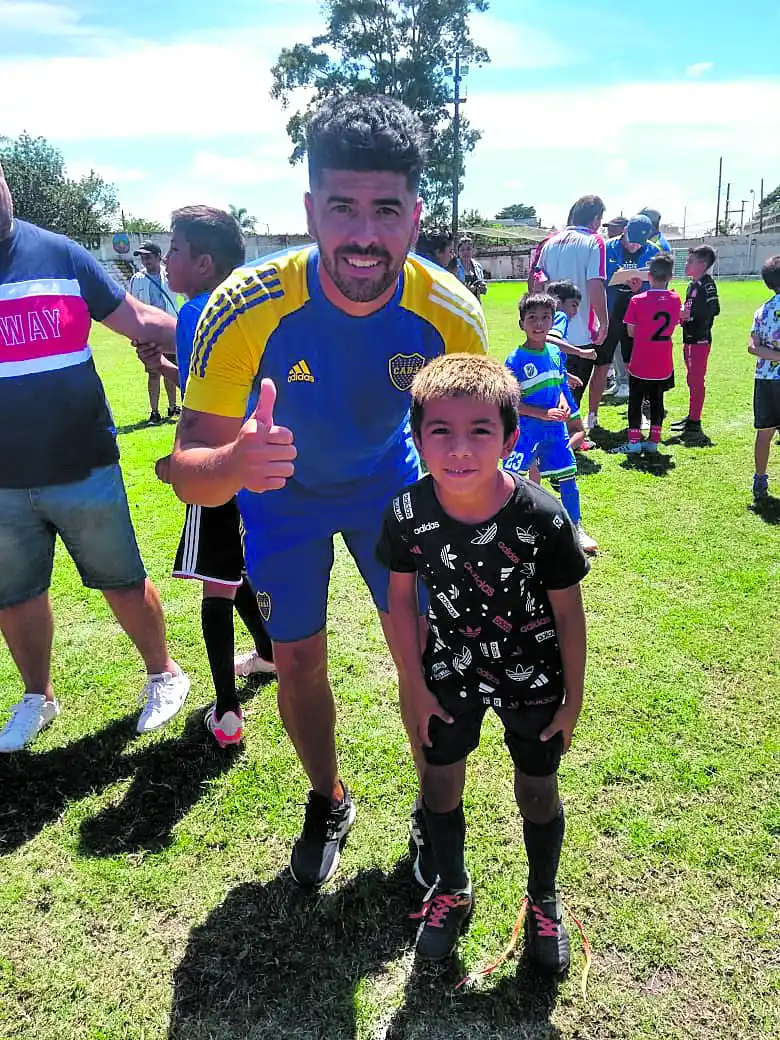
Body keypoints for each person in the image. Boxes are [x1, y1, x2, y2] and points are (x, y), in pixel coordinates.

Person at [168, 94, 488, 889]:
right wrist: (236, 462)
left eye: (386, 209)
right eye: (343, 207)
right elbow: (185, 466)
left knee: (420, 656)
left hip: (389, 488)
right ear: (311, 209)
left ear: (415, 215)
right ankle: (328, 798)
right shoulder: (244, 306)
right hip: (280, 500)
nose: (364, 235)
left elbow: (476, 449)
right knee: (299, 660)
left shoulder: (451, 316)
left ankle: (433, 814)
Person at [376, 353, 588, 966]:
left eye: (480, 431)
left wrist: (572, 700)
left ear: (510, 437)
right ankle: (454, 887)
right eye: (440, 431)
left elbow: (569, 615)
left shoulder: (543, 517)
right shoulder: (408, 514)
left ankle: (543, 899)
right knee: (440, 781)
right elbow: (399, 604)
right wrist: (412, 686)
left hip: (533, 671)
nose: (460, 449)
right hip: (449, 667)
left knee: (538, 786)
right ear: (416, 438)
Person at [0, 161, 190, 753]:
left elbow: (141, 321)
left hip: (82, 460)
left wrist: (216, 334)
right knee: (14, 594)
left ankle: (164, 674)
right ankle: (38, 696)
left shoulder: (59, 255)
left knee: (121, 579)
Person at [138, 206, 276, 748]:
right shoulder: (257, 304)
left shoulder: (200, 310)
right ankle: (268, 655)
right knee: (233, 570)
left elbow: (201, 409)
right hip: (261, 457)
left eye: (174, 249)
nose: (167, 258)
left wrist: (177, 464)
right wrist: (168, 369)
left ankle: (225, 713)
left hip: (219, 465)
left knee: (215, 588)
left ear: (203, 261)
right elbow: (226, 385)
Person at [504, 293, 598, 553]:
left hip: (555, 431)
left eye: (546, 317)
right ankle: (512, 530)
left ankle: (575, 528)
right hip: (525, 432)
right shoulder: (515, 360)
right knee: (513, 482)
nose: (539, 324)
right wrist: (542, 412)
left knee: (568, 478)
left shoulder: (556, 352)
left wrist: (561, 399)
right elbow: (510, 403)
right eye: (532, 318)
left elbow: (557, 383)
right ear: (521, 323)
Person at [535, 196, 609, 402]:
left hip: (551, 333)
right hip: (581, 335)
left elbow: (537, 284)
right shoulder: (594, 241)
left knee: (552, 395)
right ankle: (568, 433)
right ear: (595, 219)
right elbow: (595, 283)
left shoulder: (550, 242)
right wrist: (604, 322)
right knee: (571, 399)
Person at [593, 215, 661, 428]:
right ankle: (592, 415)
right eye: (631, 239)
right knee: (602, 363)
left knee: (636, 366)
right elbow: (597, 280)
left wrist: (639, 288)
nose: (633, 245)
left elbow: (657, 285)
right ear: (624, 231)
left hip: (638, 317)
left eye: (638, 242)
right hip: (610, 313)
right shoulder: (606, 248)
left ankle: (639, 413)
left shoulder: (653, 252)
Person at [615, 253, 682, 454]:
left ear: (649, 276)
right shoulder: (675, 298)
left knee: (635, 400)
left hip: (641, 359)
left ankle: (634, 443)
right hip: (663, 361)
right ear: (670, 276)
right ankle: (653, 441)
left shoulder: (637, 300)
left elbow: (630, 331)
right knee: (657, 401)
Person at [670, 245, 720, 435]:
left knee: (696, 380)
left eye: (690, 261)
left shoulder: (707, 284)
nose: (686, 264)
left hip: (700, 340)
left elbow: (714, 309)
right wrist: (683, 317)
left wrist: (691, 314)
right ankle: (692, 417)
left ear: (703, 264)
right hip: (689, 338)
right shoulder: (692, 285)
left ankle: (695, 421)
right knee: (692, 380)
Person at [129, 241, 181, 424]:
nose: (145, 260)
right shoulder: (137, 279)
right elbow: (133, 305)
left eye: (148, 256)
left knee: (171, 369)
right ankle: (154, 411)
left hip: (169, 329)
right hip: (148, 332)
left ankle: (174, 406)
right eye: (142, 257)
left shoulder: (171, 275)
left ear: (158, 257)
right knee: (153, 372)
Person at [545, 279, 596, 453]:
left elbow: (550, 354)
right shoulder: (560, 316)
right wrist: (581, 352)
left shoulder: (547, 318)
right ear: (559, 303)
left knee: (558, 423)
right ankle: (556, 457)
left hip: (549, 378)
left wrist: (566, 375)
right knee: (579, 431)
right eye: (573, 305)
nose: (575, 311)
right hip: (555, 384)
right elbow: (551, 341)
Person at [747, 255, 780, 500]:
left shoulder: (763, 310)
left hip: (765, 378)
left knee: (764, 432)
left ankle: (760, 480)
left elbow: (752, 346)